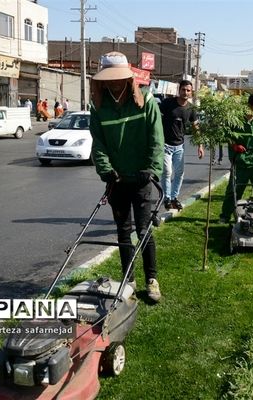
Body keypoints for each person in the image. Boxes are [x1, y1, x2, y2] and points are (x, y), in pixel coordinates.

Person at [90, 51, 164, 302]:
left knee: (143, 231)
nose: (113, 82)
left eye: (117, 78)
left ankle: (151, 279)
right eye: (108, 78)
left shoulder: (146, 101)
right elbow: (98, 143)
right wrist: (105, 170)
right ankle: (128, 279)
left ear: (128, 77)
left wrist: (152, 169)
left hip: (142, 179)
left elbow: (156, 139)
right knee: (123, 230)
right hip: (117, 181)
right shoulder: (99, 107)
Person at [219, 92, 253, 223]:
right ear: (249, 106)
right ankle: (225, 216)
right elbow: (227, 135)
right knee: (234, 190)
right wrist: (235, 145)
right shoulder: (236, 120)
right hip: (240, 161)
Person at [159, 80, 204, 210]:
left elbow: (196, 127)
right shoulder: (167, 103)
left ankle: (174, 198)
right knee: (167, 172)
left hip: (180, 146)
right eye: (183, 90)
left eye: (188, 90)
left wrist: (200, 145)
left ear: (191, 92)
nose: (185, 92)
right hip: (165, 144)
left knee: (179, 173)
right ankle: (167, 198)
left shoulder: (190, 109)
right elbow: (156, 119)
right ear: (179, 90)